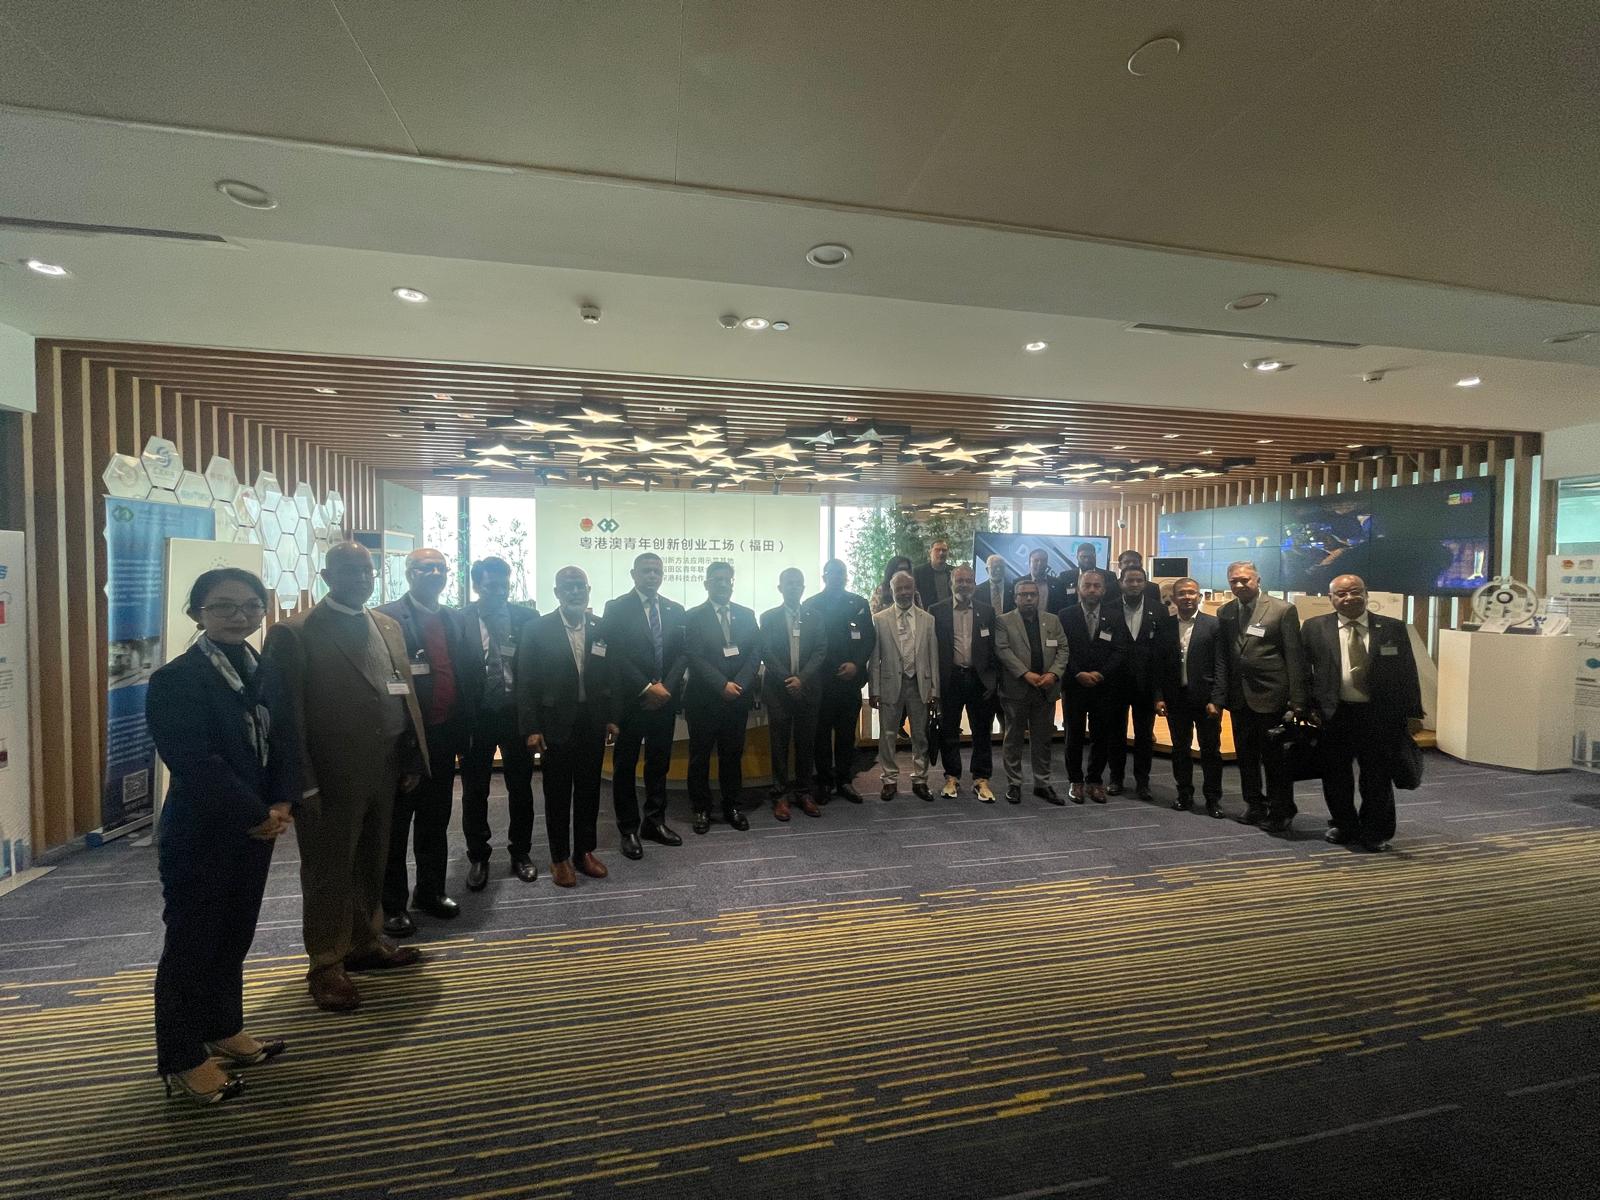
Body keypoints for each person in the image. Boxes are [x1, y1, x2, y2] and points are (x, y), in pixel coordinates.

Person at [147, 569, 293, 1105]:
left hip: (260, 827)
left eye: (251, 606)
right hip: (202, 830)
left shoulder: (264, 669)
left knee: (235, 933)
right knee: (193, 941)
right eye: (223, 606)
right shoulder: (176, 679)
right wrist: (253, 814)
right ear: (197, 614)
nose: (239, 616)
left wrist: (282, 803)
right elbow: (193, 761)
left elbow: (286, 740)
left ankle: (222, 1025)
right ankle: (182, 1056)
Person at [262, 542, 427, 1013]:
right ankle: (326, 963)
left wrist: (410, 760)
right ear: (327, 575)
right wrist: (302, 783)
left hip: (385, 768)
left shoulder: (387, 625)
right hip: (329, 778)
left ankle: (365, 943)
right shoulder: (294, 633)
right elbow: (286, 718)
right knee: (328, 871)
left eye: (368, 570)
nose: (361, 578)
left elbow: (402, 695)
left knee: (373, 860)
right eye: (350, 570)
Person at [376, 548, 477, 935]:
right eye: (425, 567)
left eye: (440, 567)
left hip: (444, 736)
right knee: (396, 826)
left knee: (435, 821)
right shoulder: (385, 618)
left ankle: (430, 892)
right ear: (409, 572)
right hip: (403, 740)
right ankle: (392, 904)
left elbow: (463, 674)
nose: (435, 573)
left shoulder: (454, 617)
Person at [1302, 574, 1423, 851]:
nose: (1348, 598)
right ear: (1331, 598)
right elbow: (1303, 671)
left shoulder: (1392, 627)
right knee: (1335, 775)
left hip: (1379, 715)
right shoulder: (1314, 627)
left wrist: (1413, 712)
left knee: (1377, 776)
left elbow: (1407, 671)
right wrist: (1306, 706)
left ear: (1366, 594)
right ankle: (1344, 824)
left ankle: (1376, 831)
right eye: (1341, 594)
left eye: (1355, 592)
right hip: (1334, 713)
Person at [519, 566, 613, 887]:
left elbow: (610, 677)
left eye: (580, 586)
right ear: (557, 592)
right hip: (555, 725)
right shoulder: (537, 629)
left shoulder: (600, 627)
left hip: (592, 723)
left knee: (589, 791)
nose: (575, 592)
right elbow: (526, 681)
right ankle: (559, 857)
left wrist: (612, 717)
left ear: (588, 590)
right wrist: (531, 727)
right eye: (568, 587)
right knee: (558, 794)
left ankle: (584, 852)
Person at [459, 557, 540, 891]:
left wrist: (534, 722)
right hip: (476, 717)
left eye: (504, 585)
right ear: (477, 585)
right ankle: (478, 856)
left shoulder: (526, 618)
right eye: (491, 585)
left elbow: (534, 673)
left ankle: (521, 852)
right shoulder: (460, 619)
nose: (499, 592)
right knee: (474, 790)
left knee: (521, 788)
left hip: (515, 715)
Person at [601, 551, 688, 859]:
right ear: (633, 574)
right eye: (646, 570)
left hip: (664, 701)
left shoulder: (675, 609)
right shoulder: (616, 608)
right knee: (625, 766)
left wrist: (666, 688)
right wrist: (647, 687)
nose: (652, 575)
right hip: (631, 701)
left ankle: (654, 821)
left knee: (658, 763)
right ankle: (628, 829)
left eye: (657, 571)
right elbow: (614, 654)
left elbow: (683, 653)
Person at [1213, 559, 1308, 834]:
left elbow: (1294, 657)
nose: (1239, 584)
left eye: (1245, 579)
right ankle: (1254, 804)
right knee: (1246, 757)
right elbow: (1225, 656)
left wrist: (1298, 700)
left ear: (1258, 580)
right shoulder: (1225, 611)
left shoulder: (1282, 610)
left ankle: (1282, 810)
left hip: (1272, 695)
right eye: (1234, 581)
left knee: (1275, 759)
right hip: (1239, 698)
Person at [683, 562, 761, 834]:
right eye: (717, 580)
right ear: (706, 584)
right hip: (704, 700)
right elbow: (694, 656)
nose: (723, 584)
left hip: (736, 699)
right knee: (699, 757)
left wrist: (738, 684)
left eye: (727, 579)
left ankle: (732, 806)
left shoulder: (746, 615)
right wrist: (721, 685)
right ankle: (701, 808)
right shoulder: (693, 616)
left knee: (732, 755)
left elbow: (755, 652)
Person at [993, 577, 1070, 804]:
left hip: (1046, 688)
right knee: (1013, 739)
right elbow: (1002, 650)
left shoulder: (1052, 620)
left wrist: (1053, 674)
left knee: (1043, 740)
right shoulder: (1003, 621)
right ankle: (1014, 783)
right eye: (1023, 595)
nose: (1028, 598)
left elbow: (1063, 649)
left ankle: (1042, 783)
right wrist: (1025, 674)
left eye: (1032, 594)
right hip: (1016, 689)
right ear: (1015, 598)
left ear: (1038, 597)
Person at [758, 568, 827, 820]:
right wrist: (789, 680)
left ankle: (804, 792)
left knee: (806, 744)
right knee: (779, 745)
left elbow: (820, 650)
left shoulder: (815, 617)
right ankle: (780, 795)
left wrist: (802, 679)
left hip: (808, 689)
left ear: (803, 588)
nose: (794, 587)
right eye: (789, 583)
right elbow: (766, 652)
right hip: (779, 690)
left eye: (798, 583)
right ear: (780, 588)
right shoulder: (768, 617)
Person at [807, 559, 876, 803]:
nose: (837, 576)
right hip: (822, 681)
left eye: (841, 573)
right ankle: (824, 781)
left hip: (850, 680)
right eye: (832, 573)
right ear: (824, 576)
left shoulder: (859, 603)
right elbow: (809, 644)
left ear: (846, 577)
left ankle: (845, 780)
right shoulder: (811, 604)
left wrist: (856, 664)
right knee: (822, 735)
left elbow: (869, 638)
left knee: (847, 734)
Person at [1155, 578, 1225, 816]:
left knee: (1211, 751)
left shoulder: (1214, 625)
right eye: (1182, 593)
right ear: (1174, 598)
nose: (1187, 597)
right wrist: (1158, 697)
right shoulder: (1164, 625)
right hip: (1175, 699)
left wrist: (1217, 699)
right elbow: (1158, 665)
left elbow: (1221, 665)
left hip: (1207, 701)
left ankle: (1213, 799)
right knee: (1180, 749)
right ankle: (1184, 794)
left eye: (1192, 593)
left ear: (1199, 597)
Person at [929, 563, 998, 801]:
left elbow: (994, 648)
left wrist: (992, 680)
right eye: (960, 581)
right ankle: (952, 777)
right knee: (949, 730)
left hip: (980, 680)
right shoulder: (936, 611)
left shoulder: (987, 611)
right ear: (951, 583)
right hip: (950, 679)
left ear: (975, 585)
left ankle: (981, 778)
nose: (964, 585)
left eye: (969, 581)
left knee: (982, 731)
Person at [870, 571, 939, 800]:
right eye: (898, 589)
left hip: (920, 684)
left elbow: (933, 657)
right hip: (890, 684)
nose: (903, 592)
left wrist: (935, 689)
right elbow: (875, 658)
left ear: (914, 589)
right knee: (888, 734)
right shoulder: (880, 619)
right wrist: (874, 690)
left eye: (907, 588)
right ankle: (889, 780)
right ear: (891, 591)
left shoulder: (928, 619)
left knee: (920, 735)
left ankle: (920, 779)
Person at [1059, 569, 1128, 803]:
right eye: (1087, 585)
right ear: (1079, 588)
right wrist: (1077, 673)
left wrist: (1100, 674)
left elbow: (1120, 650)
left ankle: (1095, 780)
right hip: (1074, 685)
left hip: (1104, 686)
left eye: (1096, 586)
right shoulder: (1065, 615)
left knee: (1101, 736)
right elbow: (1062, 649)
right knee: (1073, 735)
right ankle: (1075, 781)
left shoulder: (1115, 616)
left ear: (1104, 589)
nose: (1091, 590)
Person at [1106, 564, 1166, 801]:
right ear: (1120, 583)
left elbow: (1161, 652)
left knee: (1144, 736)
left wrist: (1159, 691)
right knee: (1115, 734)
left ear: (1145, 583)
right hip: (1115, 683)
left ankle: (1143, 782)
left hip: (1146, 684)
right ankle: (1116, 778)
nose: (1134, 585)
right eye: (1129, 580)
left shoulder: (1159, 610)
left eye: (1139, 580)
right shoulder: (1108, 608)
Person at [913, 539, 955, 608]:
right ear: (930, 552)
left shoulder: (954, 572)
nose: (941, 553)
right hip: (926, 612)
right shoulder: (919, 572)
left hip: (950, 612)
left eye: (944, 550)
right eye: (937, 550)